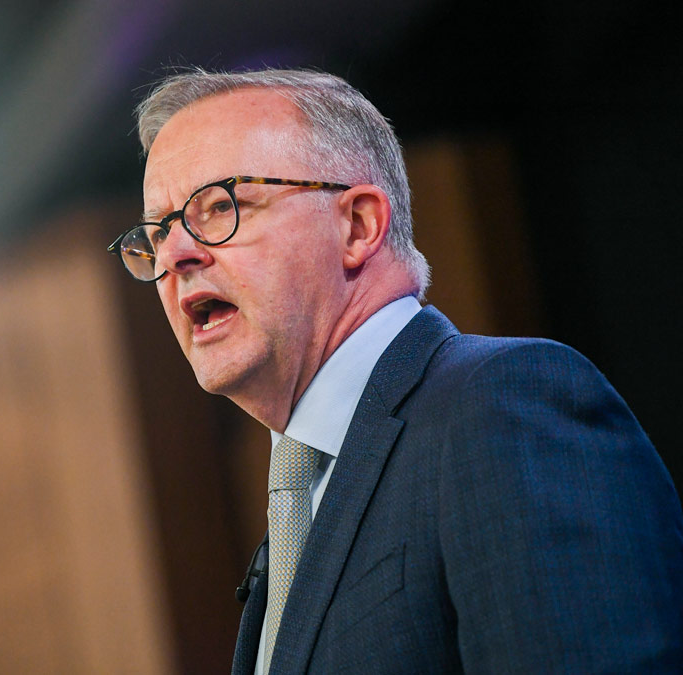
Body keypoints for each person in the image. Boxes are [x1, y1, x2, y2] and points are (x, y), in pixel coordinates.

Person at [108, 68, 683, 673]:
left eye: (220, 207)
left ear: (356, 226)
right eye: (157, 234)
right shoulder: (294, 513)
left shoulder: (501, 407)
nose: (174, 256)